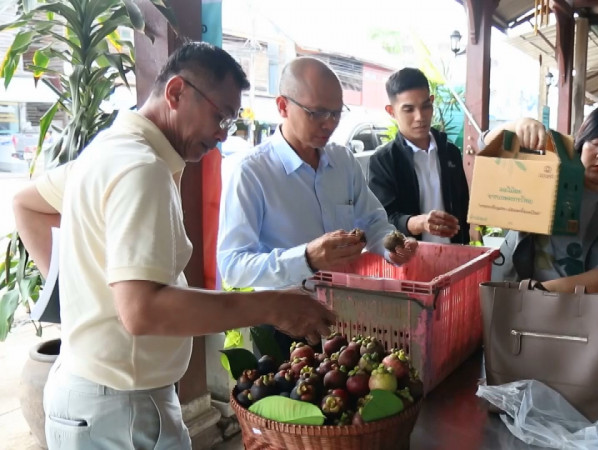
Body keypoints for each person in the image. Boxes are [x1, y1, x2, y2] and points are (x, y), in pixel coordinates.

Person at [12, 42, 336, 450]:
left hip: (89, 392)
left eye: (231, 121)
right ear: (176, 92)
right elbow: (143, 309)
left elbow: (28, 204)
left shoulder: (110, 149)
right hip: (120, 406)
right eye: (219, 115)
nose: (222, 133)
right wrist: (274, 306)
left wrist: (87, 294)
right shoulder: (141, 169)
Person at [216, 57, 418, 351]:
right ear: (283, 106)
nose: (330, 123)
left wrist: (391, 245)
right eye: (318, 113)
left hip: (346, 320)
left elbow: (373, 222)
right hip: (285, 326)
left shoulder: (343, 161)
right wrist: (306, 258)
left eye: (336, 113)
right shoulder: (251, 173)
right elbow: (234, 266)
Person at [489, 103, 598, 293]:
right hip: (512, 288)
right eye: (595, 143)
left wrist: (544, 291)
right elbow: (486, 145)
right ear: (581, 143)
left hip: (580, 309)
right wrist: (516, 126)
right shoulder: (548, 170)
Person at [368, 67, 473, 244]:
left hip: (453, 257)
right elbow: (381, 220)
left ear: (432, 101)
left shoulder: (450, 153)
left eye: (425, 106)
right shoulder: (383, 161)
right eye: (408, 110)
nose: (420, 117)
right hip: (410, 261)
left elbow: (463, 208)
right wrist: (417, 223)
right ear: (391, 111)